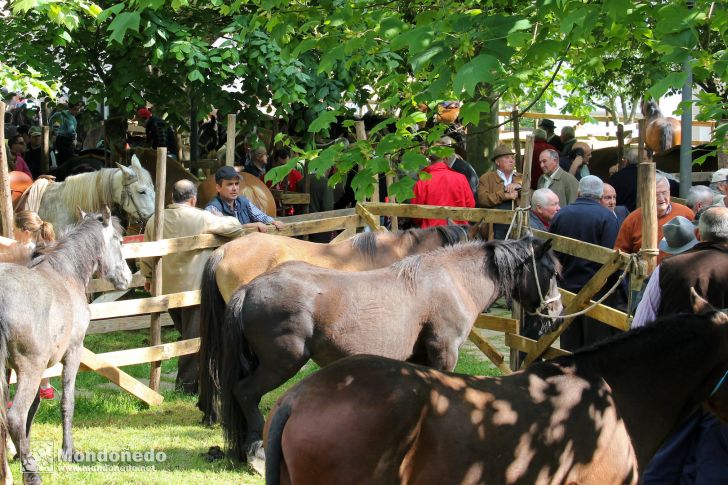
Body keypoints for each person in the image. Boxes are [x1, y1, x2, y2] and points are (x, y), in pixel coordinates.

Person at [632, 207, 728, 485]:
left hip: (674, 380)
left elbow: (641, 327)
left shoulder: (669, 269)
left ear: (699, 233)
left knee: (666, 457)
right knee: (717, 461)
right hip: (723, 383)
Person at [140, 180, 256, 393]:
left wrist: (148, 276)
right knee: (192, 340)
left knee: (188, 334)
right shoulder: (201, 217)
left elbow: (147, 255)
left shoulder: (154, 220)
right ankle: (187, 386)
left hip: (166, 289)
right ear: (193, 198)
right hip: (194, 290)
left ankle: (203, 380)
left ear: (172, 198)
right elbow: (234, 227)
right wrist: (221, 218)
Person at [549, 175, 620, 351]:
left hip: (566, 287)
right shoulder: (608, 217)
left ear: (579, 191)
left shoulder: (560, 215)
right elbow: (611, 259)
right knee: (595, 346)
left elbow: (551, 253)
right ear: (600, 194)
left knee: (570, 343)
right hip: (597, 291)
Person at [13, 211, 56, 398]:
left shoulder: (24, 250)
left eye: (15, 230)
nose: (13, 234)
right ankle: (45, 386)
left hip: (26, 304)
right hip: (45, 305)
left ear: (24, 231)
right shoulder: (46, 247)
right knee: (40, 348)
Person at [614, 174, 694, 265]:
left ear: (669, 191)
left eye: (664, 192)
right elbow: (620, 253)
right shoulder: (632, 219)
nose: (661, 198)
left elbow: (698, 245)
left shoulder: (686, 213)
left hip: (678, 275)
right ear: (646, 195)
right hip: (644, 277)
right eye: (656, 194)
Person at [411, 144, 475, 228]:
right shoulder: (461, 178)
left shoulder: (422, 181)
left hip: (431, 233)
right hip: (458, 232)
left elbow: (415, 213)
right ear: (446, 158)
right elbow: (470, 205)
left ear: (429, 160)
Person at [205, 165, 285, 230]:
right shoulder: (213, 208)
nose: (235, 188)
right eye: (230, 184)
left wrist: (273, 222)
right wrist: (248, 226)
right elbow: (227, 230)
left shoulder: (243, 201)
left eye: (236, 184)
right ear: (218, 188)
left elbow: (260, 216)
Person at [477, 144, 521, 239]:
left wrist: (518, 186)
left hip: (518, 226)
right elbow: (482, 199)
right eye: (507, 157)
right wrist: (505, 195)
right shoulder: (486, 178)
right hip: (495, 228)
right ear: (497, 162)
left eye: (512, 158)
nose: (511, 160)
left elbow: (531, 199)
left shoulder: (520, 178)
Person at [267, 148, 303, 217]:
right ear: (275, 163)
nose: (285, 168)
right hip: (272, 215)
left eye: (287, 165)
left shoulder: (297, 176)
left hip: (292, 215)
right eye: (281, 165)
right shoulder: (268, 177)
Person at [49, 101, 83, 166]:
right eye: (75, 109)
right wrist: (53, 131)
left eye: (78, 109)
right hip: (64, 140)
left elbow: (51, 120)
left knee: (63, 159)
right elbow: (71, 130)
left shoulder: (72, 117)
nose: (77, 111)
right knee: (67, 160)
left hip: (66, 140)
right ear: (70, 108)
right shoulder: (64, 116)